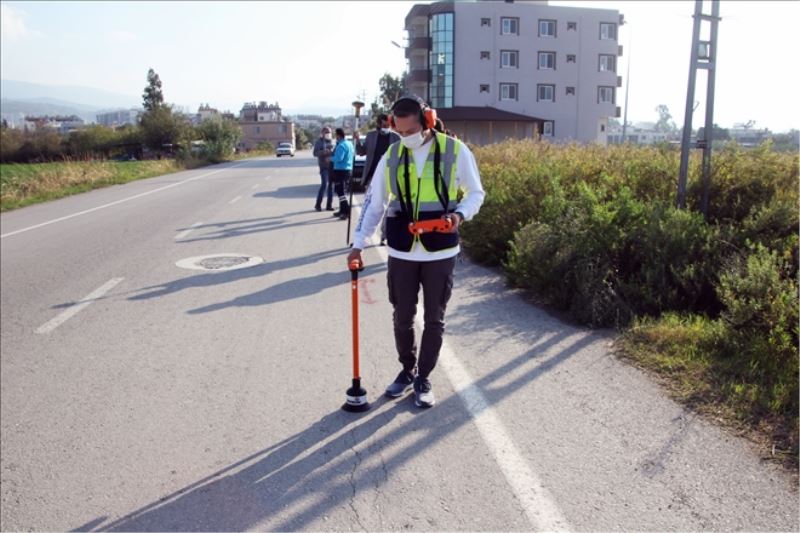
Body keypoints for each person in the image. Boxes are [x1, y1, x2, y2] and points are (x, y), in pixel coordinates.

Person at [347, 95, 485, 408]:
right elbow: (374, 205)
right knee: (402, 317)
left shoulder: (455, 150)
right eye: (400, 131)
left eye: (411, 131)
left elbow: (476, 193)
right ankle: (407, 370)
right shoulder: (392, 155)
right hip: (402, 251)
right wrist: (358, 245)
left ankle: (424, 376)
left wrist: (460, 215)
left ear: (428, 121)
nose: (406, 137)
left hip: (440, 252)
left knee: (434, 319)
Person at [353, 114, 400, 245]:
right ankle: (361, 237)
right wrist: (357, 140)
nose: (386, 127)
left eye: (389, 125)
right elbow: (361, 152)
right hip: (372, 177)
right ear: (379, 124)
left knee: (388, 208)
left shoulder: (396, 138)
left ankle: (384, 235)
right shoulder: (371, 136)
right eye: (384, 125)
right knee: (369, 207)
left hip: (390, 177)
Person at [331, 128, 354, 220]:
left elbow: (339, 158)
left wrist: (330, 158)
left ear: (338, 135)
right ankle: (342, 210)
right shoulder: (349, 143)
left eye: (335, 135)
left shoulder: (341, 146)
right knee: (342, 191)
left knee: (340, 192)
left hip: (340, 170)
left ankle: (346, 211)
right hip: (347, 169)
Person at [313, 126, 335, 211]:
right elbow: (315, 153)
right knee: (324, 185)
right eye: (326, 132)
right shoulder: (319, 142)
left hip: (332, 167)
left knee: (331, 186)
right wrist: (323, 152)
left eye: (329, 132)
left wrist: (332, 153)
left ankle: (329, 205)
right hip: (324, 167)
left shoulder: (333, 142)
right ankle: (318, 204)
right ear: (322, 133)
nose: (328, 134)